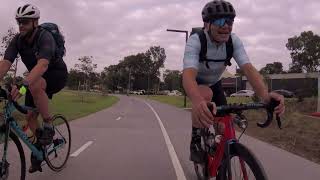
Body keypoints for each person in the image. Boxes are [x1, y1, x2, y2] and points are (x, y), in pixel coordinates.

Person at [182, 0, 285, 163]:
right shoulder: (196, 40)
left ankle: (218, 158)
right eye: (220, 21)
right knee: (204, 95)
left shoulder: (233, 41)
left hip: (215, 82)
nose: (226, 26)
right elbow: (188, 75)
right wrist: (196, 101)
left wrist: (266, 97)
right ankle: (195, 142)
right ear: (207, 24)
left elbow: (249, 69)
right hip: (195, 84)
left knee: (223, 127)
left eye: (230, 21)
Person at [0, 4, 68, 173]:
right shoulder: (17, 40)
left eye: (25, 22)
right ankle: (40, 147)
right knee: (29, 117)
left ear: (35, 22)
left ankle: (49, 126)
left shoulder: (45, 37)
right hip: (34, 79)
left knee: (34, 83)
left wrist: (23, 86)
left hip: (56, 75)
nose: (21, 25)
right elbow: (5, 63)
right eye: (19, 22)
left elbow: (43, 64)